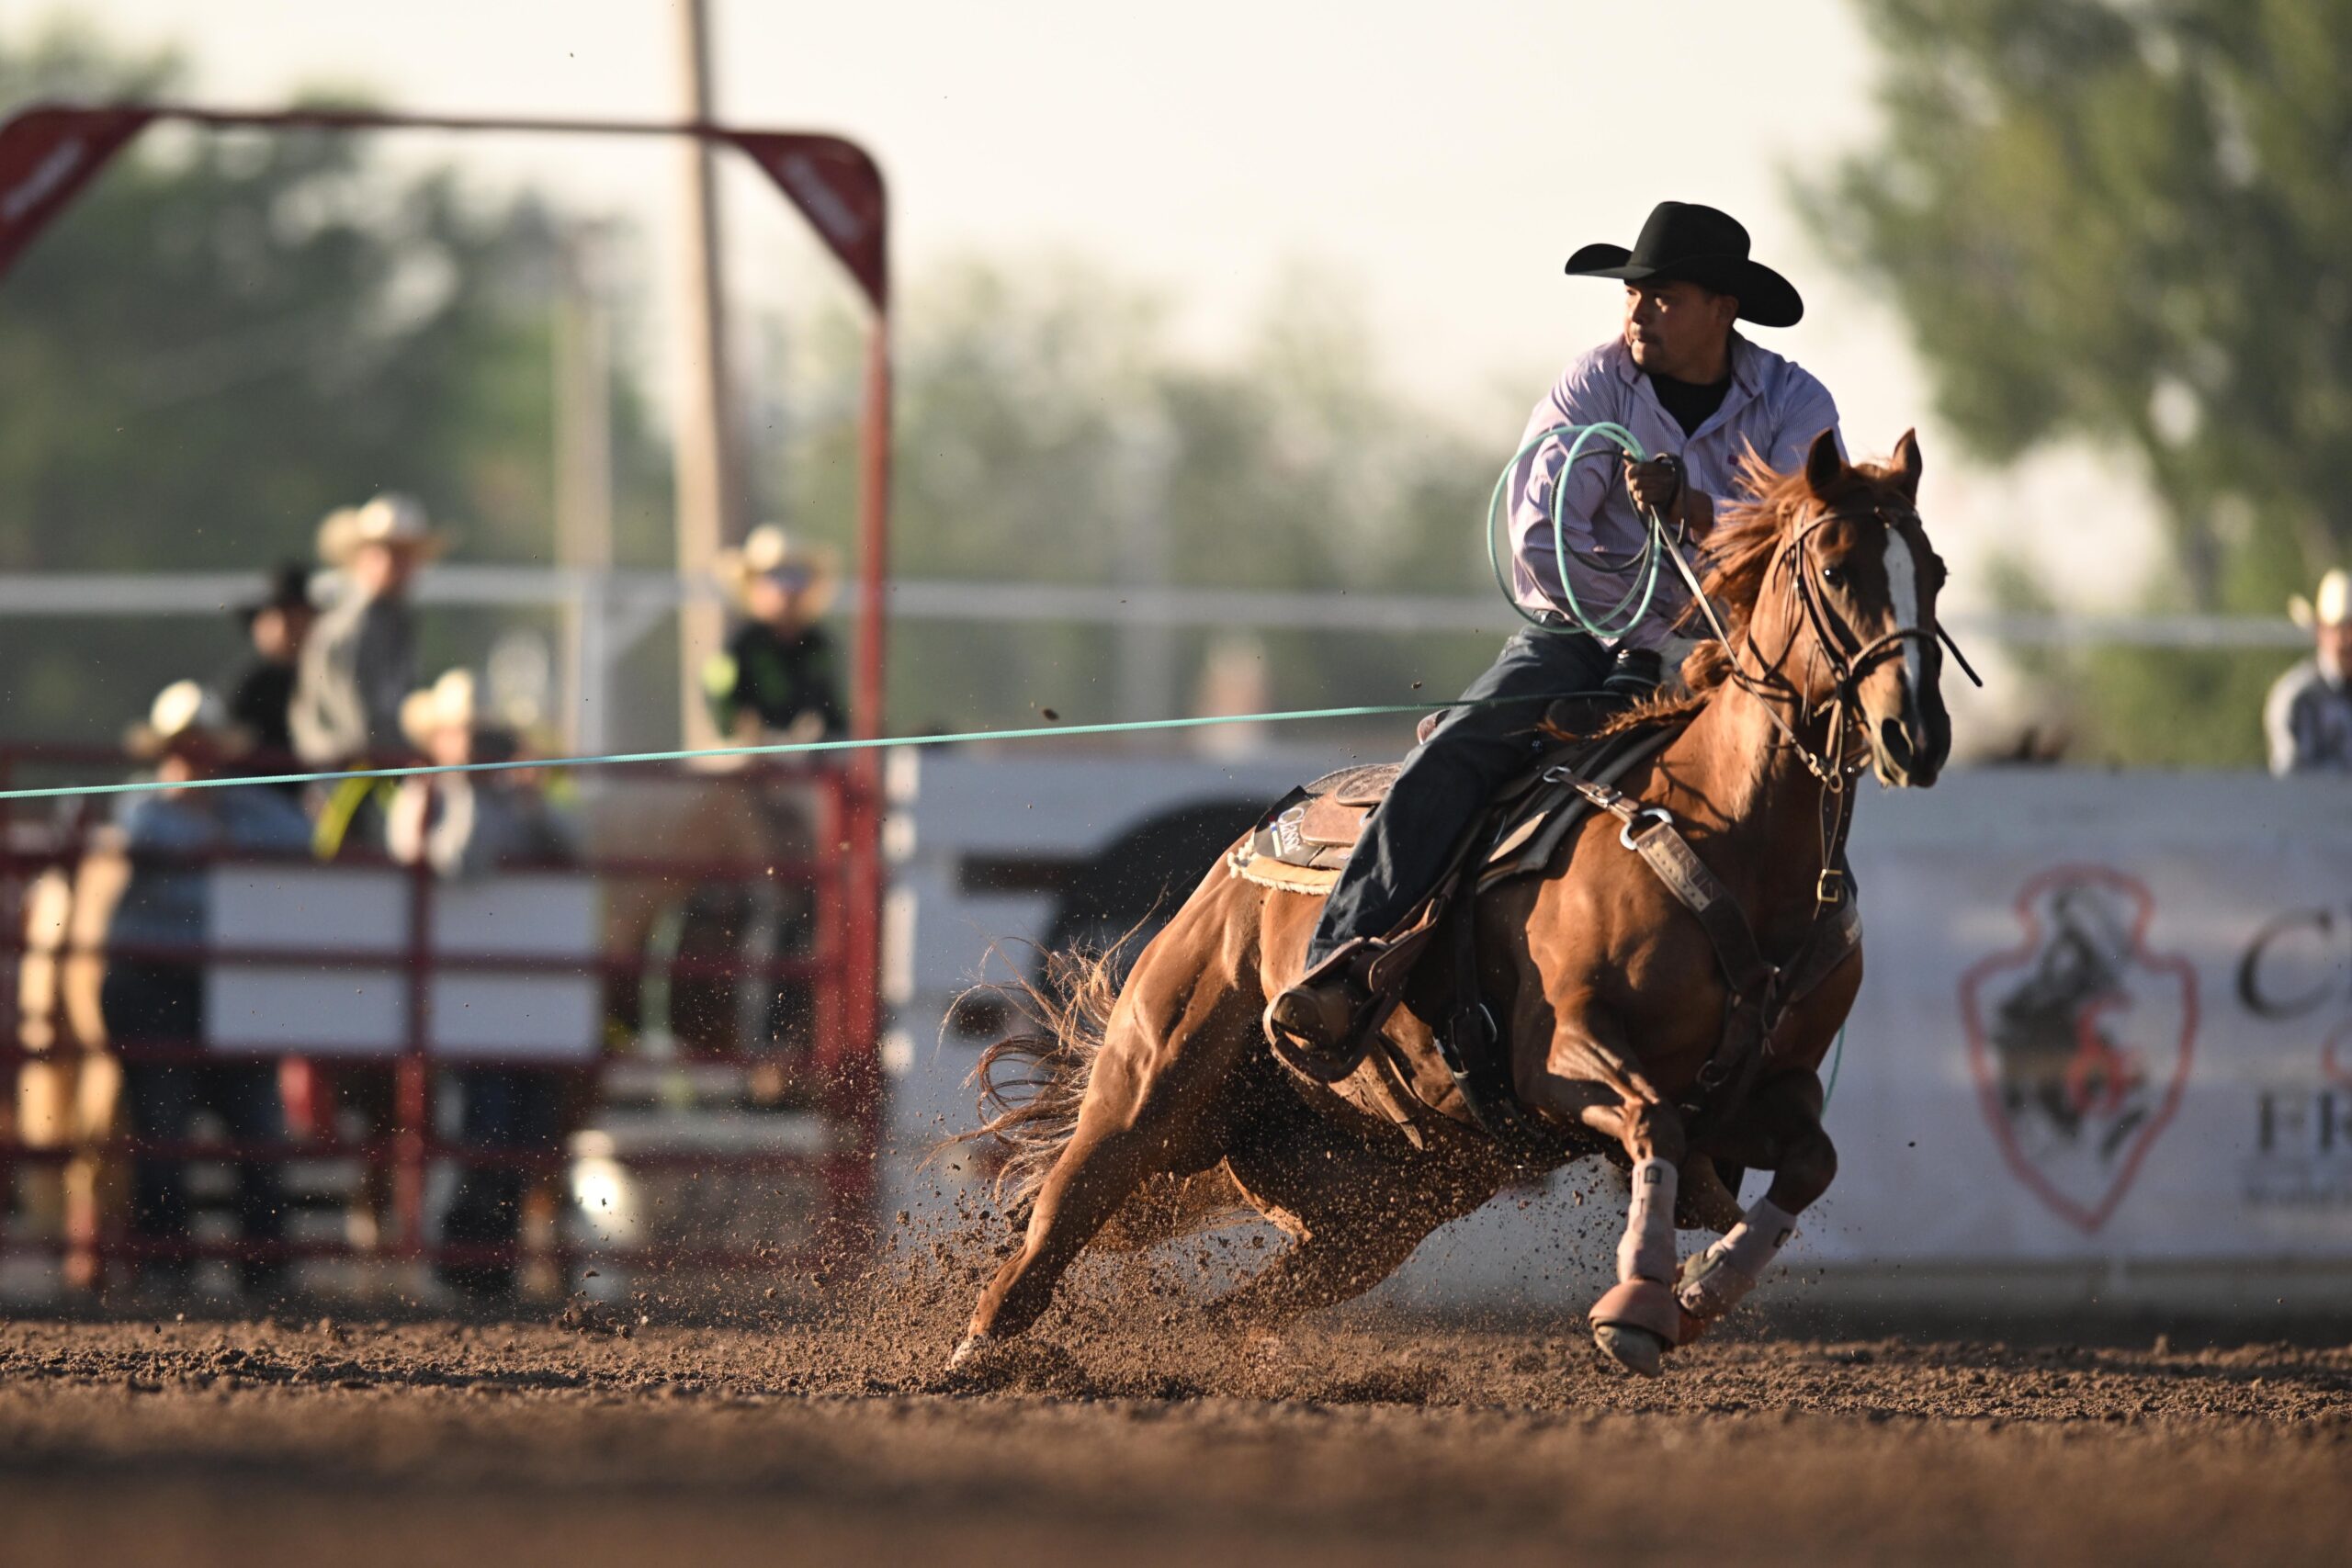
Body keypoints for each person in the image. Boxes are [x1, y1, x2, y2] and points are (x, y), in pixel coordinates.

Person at [1265, 201, 1844, 1069]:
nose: (1638, 310)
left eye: (1663, 296)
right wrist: (1639, 624)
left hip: (1724, 659)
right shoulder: (1593, 384)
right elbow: (1541, 545)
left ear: (1724, 309)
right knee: (1462, 749)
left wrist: (1694, 514)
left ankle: (1782, 1019)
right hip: (1581, 637)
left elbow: (1811, 541)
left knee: (1801, 789)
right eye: (1635, 294)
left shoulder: (1796, 402)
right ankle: (1343, 965)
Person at [103, 681, 313, 1297]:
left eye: (204, 743)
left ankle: (263, 1264)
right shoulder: (141, 803)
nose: (196, 754)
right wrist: (222, 850)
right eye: (184, 744)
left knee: (254, 1121)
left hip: (226, 983)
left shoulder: (239, 805)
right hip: (156, 982)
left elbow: (296, 837)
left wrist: (217, 843)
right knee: (164, 1126)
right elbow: (141, 836)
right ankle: (170, 1262)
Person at [386, 669, 577, 1301]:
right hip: (466, 999)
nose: (477, 749)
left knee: (522, 1128)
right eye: (466, 736)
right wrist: (468, 792)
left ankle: (496, 1265)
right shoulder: (424, 799)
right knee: (477, 1123)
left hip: (524, 995)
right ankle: (455, 1263)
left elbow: (572, 853)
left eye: (487, 738)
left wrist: (529, 798)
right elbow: (458, 864)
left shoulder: (515, 801)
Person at [289, 493, 443, 764]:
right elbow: (359, 729)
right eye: (392, 553)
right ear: (362, 557)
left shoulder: (396, 620)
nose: (404, 565)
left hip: (376, 768)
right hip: (346, 777)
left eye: (409, 555)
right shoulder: (348, 629)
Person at [703, 525, 847, 742]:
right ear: (753, 584)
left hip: (814, 767)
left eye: (796, 576)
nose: (787, 589)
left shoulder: (819, 645)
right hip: (754, 769)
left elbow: (836, 714)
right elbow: (724, 718)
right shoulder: (739, 648)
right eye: (776, 576)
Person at [222, 561, 317, 765]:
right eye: (279, 618)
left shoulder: (328, 675)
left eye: (297, 617)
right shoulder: (248, 683)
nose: (287, 629)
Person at [2266, 569, 2352, 774]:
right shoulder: (2297, 698)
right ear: (2321, 632)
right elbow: (2291, 781)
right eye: (2341, 629)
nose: (2348, 641)